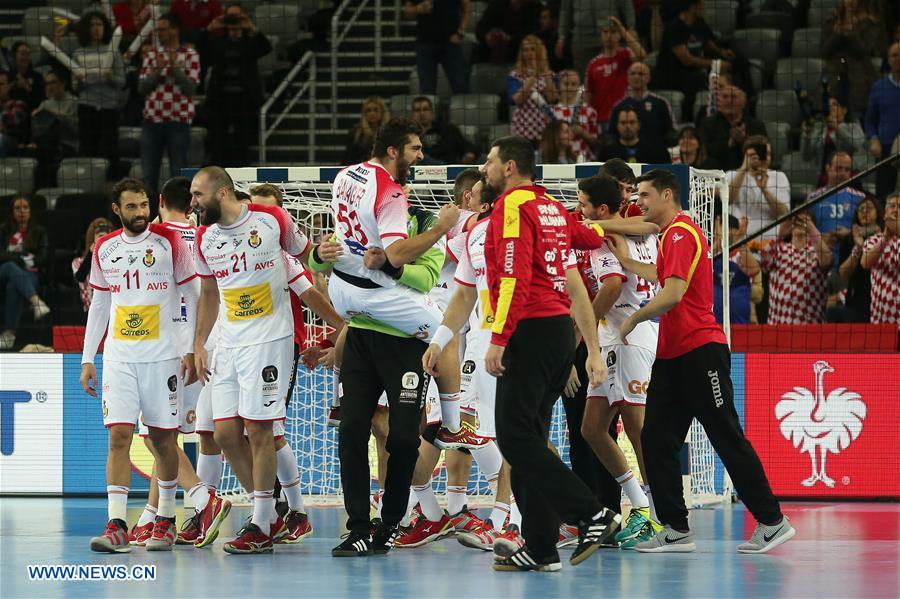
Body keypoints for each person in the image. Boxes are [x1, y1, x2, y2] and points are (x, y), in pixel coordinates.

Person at [618, 168, 794, 554]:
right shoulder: (670, 236)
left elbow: (673, 293)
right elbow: (661, 275)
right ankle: (676, 528)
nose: (638, 202)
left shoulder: (681, 232)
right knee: (655, 439)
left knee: (725, 436)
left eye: (645, 195)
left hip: (700, 353)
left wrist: (633, 318)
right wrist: (625, 261)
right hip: (673, 357)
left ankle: (772, 521)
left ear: (667, 195)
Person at [478, 135, 620, 572]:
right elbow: (590, 236)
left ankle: (591, 513)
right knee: (530, 440)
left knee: (513, 437)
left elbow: (514, 276)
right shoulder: (552, 206)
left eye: (489, 161)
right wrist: (623, 225)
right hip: (559, 332)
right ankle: (541, 547)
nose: (484, 168)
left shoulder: (513, 206)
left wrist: (499, 337)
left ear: (509, 167)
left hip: (531, 330)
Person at [324, 118, 464, 558]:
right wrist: (319, 254)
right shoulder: (390, 195)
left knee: (403, 439)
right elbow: (384, 250)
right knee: (352, 430)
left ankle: (391, 520)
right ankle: (358, 526)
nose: (420, 157)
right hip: (368, 329)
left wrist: (389, 262)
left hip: (398, 339)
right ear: (392, 151)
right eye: (415, 149)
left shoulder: (351, 179)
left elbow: (421, 276)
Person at [191, 166, 315, 554]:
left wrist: (339, 322)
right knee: (225, 434)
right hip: (228, 344)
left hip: (269, 340)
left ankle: (263, 521)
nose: (193, 202)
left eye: (198, 194)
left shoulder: (272, 219)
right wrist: (199, 344)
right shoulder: (204, 237)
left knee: (262, 431)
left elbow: (309, 258)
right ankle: (273, 514)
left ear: (222, 193)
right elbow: (209, 293)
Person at [80, 178, 199, 553]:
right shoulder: (104, 247)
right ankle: (117, 524)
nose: (140, 212)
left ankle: (165, 519)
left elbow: (193, 296)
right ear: (117, 209)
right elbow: (100, 304)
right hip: (119, 359)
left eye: (144, 205)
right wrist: (88, 357)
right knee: (118, 437)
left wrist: (191, 348)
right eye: (131, 206)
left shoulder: (170, 242)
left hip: (162, 358)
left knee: (163, 440)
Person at [576, 174, 662, 550]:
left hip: (630, 336)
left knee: (638, 429)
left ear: (601, 209)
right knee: (592, 428)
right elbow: (649, 226)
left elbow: (611, 285)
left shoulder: (604, 238)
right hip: (621, 335)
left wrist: (582, 330)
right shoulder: (640, 229)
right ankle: (640, 504)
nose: (579, 210)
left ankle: (657, 515)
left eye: (583, 204)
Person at [202, 3, 272, 167]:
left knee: (243, 139)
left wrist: (252, 28)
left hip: (245, 99)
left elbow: (266, 48)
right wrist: (210, 29)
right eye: (230, 17)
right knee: (218, 140)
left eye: (237, 17)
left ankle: (243, 172)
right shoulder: (217, 41)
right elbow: (202, 50)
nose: (234, 21)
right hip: (220, 99)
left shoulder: (251, 41)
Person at [138, 12, 200, 195]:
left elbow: (191, 88)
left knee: (178, 173)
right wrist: (158, 71)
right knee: (148, 174)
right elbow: (142, 88)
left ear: (175, 30)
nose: (159, 33)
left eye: (163, 29)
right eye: (158, 30)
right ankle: (148, 210)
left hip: (179, 121)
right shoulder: (152, 55)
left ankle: (178, 209)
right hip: (152, 121)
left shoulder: (190, 55)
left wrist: (175, 69)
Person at [655, 0, 736, 122]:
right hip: (673, 74)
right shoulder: (674, 28)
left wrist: (722, 52)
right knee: (697, 81)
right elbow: (686, 60)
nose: (704, 8)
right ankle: (692, 121)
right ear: (692, 7)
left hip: (694, 71)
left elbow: (708, 40)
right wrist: (716, 64)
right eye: (701, 5)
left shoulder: (699, 22)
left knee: (738, 63)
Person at [72, 11, 126, 173]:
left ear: (105, 27)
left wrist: (110, 78)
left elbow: (122, 82)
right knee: (88, 148)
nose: (96, 28)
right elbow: (74, 87)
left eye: (99, 24)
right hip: (86, 108)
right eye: (92, 25)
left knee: (109, 150)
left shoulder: (113, 52)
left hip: (109, 108)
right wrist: (79, 81)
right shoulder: (78, 53)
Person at [761, 212, 833, 324]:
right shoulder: (778, 249)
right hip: (777, 326)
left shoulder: (817, 251)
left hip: (810, 326)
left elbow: (828, 262)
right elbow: (762, 263)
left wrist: (812, 230)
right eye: (797, 221)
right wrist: (779, 236)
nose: (800, 224)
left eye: (804, 221)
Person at [0, 195, 51, 350]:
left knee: (13, 287)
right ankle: (36, 302)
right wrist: (22, 258)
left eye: (25, 208)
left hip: (30, 274)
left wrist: (17, 257)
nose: (21, 211)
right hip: (4, 271)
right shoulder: (3, 230)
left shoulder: (39, 232)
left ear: (30, 211)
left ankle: (9, 333)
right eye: (17, 208)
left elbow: (44, 257)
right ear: (12, 212)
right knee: (10, 266)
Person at [821, 0, 886, 118]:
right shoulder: (831, 20)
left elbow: (864, 51)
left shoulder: (871, 24)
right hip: (833, 77)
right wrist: (837, 33)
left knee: (857, 117)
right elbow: (824, 52)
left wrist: (850, 32)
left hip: (860, 80)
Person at [827, 196, 882, 323]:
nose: (864, 211)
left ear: (877, 213)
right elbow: (843, 274)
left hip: (882, 300)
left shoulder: (886, 236)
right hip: (857, 301)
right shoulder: (849, 240)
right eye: (861, 209)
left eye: (869, 208)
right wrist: (858, 247)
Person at [584, 17, 645, 128]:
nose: (609, 36)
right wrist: (589, 120)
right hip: (601, 119)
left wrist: (622, 29)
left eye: (613, 32)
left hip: (623, 118)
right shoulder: (593, 64)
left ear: (619, 35)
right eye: (605, 32)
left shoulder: (625, 54)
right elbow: (588, 94)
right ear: (601, 35)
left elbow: (642, 54)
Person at [805, 151, 866, 264]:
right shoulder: (813, 198)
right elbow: (801, 232)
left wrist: (850, 234)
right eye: (839, 168)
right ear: (827, 168)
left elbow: (874, 229)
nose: (843, 173)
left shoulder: (860, 198)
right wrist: (820, 238)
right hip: (820, 260)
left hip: (850, 260)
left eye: (847, 170)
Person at [726, 136, 790, 243]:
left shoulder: (779, 177)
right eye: (756, 154)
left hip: (770, 243)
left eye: (767, 153)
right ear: (745, 156)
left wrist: (764, 190)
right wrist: (744, 168)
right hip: (738, 243)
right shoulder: (731, 175)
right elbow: (728, 200)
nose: (763, 157)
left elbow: (784, 214)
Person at [403, 0, 470, 95]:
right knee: (427, 90)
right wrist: (418, 9)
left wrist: (461, 32)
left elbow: (467, 7)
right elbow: (407, 12)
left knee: (460, 86)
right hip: (425, 42)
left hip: (450, 43)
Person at [557, 0, 635, 77]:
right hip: (581, 39)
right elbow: (565, 11)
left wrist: (631, 27)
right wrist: (561, 37)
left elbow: (627, 5)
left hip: (609, 35)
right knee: (582, 77)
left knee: (612, 74)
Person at [607, 62, 676, 149]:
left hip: (655, 153)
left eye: (641, 74)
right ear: (627, 78)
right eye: (633, 74)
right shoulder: (618, 107)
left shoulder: (661, 103)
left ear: (649, 78)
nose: (636, 77)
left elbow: (671, 133)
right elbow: (612, 136)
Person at [699, 84, 766, 172]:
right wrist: (730, 142)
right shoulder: (708, 124)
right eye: (725, 97)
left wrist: (744, 140)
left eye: (733, 97)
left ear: (743, 103)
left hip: (748, 173)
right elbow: (706, 153)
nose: (729, 100)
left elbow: (764, 153)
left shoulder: (756, 125)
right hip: (718, 173)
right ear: (719, 102)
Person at [864, 41, 900, 197]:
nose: (898, 59)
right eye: (894, 55)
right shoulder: (879, 87)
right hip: (886, 151)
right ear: (888, 59)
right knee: (884, 196)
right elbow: (870, 121)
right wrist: (873, 139)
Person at [508, 35, 558, 145]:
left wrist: (545, 69)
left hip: (545, 128)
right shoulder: (515, 76)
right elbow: (517, 100)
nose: (529, 53)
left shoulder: (551, 75)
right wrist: (534, 74)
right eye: (525, 50)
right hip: (522, 128)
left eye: (533, 49)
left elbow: (552, 99)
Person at [712, 214, 761, 325]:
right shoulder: (711, 252)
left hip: (741, 319)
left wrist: (740, 240)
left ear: (736, 230)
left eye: (729, 228)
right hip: (714, 320)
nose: (726, 232)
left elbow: (754, 272)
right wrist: (718, 239)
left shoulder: (745, 252)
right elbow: (705, 262)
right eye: (723, 228)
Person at [800, 96, 866, 177]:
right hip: (825, 176)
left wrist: (837, 127)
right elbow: (806, 157)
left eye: (834, 104)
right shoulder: (819, 127)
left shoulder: (853, 125)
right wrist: (806, 136)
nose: (830, 108)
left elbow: (857, 144)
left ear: (844, 110)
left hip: (849, 176)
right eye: (828, 105)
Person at [861, 193, 900, 324]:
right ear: (884, 215)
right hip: (882, 319)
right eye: (892, 206)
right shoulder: (874, 240)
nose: (895, 210)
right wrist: (885, 240)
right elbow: (865, 262)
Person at [548, 69, 600, 161]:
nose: (570, 88)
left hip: (585, 162)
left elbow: (597, 143)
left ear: (578, 86)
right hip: (559, 162)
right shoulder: (552, 112)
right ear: (559, 86)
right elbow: (547, 141)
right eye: (566, 84)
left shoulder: (589, 111)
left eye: (573, 84)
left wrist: (582, 133)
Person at [409, 96, 477, 164]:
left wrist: (469, 153)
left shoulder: (448, 130)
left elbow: (467, 146)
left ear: (432, 113)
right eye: (417, 110)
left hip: (447, 168)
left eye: (425, 109)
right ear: (412, 115)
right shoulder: (408, 134)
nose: (422, 113)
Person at [475, 0, 542, 65]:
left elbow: (535, 34)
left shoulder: (536, 8)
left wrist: (510, 39)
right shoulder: (497, 3)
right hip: (489, 54)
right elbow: (481, 28)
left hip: (520, 56)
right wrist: (487, 37)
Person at [72, 217, 115, 314]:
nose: (103, 238)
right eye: (99, 235)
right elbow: (80, 277)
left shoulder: (118, 258)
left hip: (114, 308)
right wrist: (92, 252)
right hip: (90, 309)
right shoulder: (78, 262)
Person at [598, 108, 670, 164]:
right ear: (617, 125)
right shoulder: (606, 153)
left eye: (632, 122)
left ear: (639, 125)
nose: (627, 126)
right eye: (623, 122)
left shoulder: (654, 151)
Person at [343, 96, 389, 165]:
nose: (372, 113)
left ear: (382, 112)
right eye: (368, 110)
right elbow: (348, 158)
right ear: (364, 113)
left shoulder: (389, 132)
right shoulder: (356, 133)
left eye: (376, 110)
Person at [0, 70, 29, 157]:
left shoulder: (17, 104)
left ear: (9, 86)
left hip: (10, 141)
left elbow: (13, 119)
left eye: (1, 84)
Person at [8, 41, 44, 111]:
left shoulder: (38, 77)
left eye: (28, 54)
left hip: (33, 114)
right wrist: (15, 85)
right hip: (11, 114)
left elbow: (41, 101)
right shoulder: (6, 76)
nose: (26, 57)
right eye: (22, 54)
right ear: (14, 55)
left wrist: (27, 88)